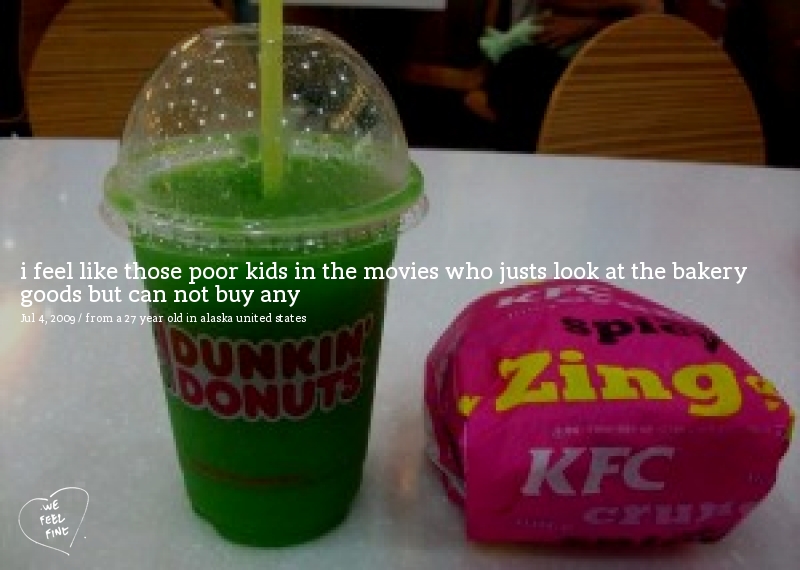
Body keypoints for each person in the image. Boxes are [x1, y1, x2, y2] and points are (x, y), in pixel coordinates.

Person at [483, 0, 664, 151]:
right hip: (555, 60)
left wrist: (589, 25)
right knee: (520, 69)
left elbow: (652, 12)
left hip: (622, 62)